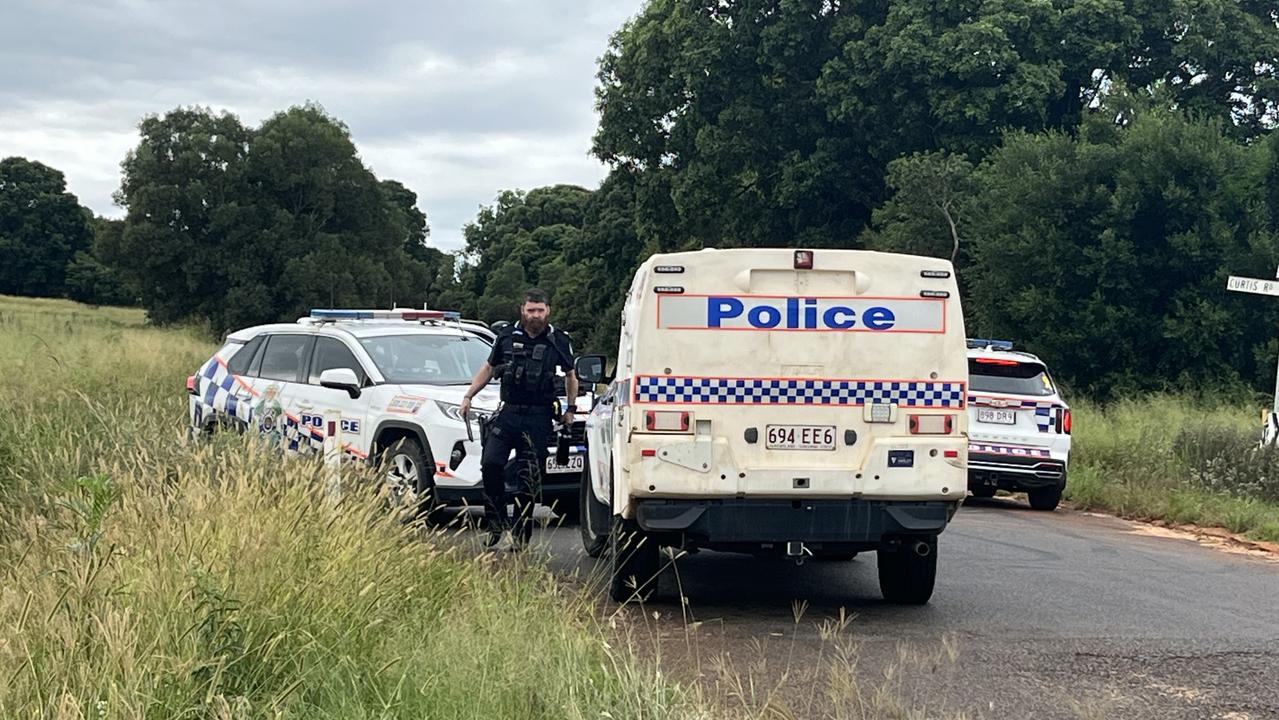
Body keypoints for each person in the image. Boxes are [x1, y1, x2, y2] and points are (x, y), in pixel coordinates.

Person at [460, 288, 577, 550]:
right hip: (509, 412)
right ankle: (495, 523)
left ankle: (520, 534)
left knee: (528, 478)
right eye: (531, 310)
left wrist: (570, 409)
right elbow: (489, 368)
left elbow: (571, 375)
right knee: (490, 464)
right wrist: (468, 396)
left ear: (548, 311)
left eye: (540, 310)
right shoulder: (506, 336)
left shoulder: (558, 340)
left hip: (539, 416)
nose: (535, 315)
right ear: (522, 311)